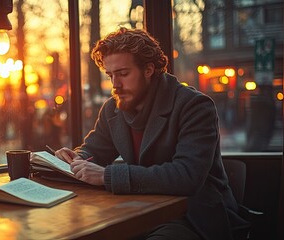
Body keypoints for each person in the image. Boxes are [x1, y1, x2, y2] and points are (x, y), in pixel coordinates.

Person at [54, 27, 245, 239]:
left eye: (123, 74)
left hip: (192, 215)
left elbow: (187, 176)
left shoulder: (195, 106)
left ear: (148, 69)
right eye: (110, 75)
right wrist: (75, 158)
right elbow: (94, 150)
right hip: (137, 210)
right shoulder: (112, 109)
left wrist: (107, 176)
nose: (115, 85)